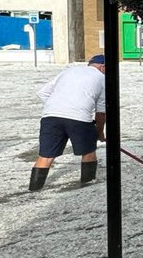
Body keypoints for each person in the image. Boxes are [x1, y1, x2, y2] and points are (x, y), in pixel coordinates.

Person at [29, 55, 107, 191]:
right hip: (80, 118)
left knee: (46, 155)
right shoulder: (102, 78)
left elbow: (43, 93)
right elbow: (101, 111)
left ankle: (34, 189)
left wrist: (60, 107)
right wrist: (99, 132)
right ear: (103, 67)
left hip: (50, 116)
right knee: (88, 151)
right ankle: (87, 185)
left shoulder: (69, 71)